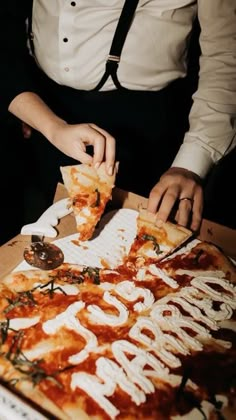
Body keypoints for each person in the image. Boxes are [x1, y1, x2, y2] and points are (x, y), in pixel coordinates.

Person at [0, 1, 235, 234]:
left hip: (148, 124)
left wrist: (191, 165)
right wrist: (38, 114)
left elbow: (226, 55)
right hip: (45, 111)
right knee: (46, 237)